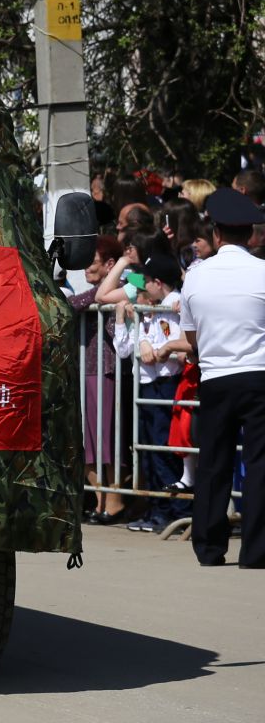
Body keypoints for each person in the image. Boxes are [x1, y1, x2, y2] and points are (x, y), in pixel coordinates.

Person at [179, 187, 265, 567]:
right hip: (259, 375)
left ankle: (210, 548)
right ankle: (257, 550)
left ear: (216, 234)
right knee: (260, 465)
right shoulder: (262, 272)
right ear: (251, 235)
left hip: (215, 376)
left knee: (214, 462)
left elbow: (191, 336)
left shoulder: (197, 277)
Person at [113, 254, 189, 530]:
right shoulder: (151, 304)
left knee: (162, 448)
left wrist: (146, 339)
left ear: (158, 282)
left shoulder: (172, 304)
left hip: (165, 384)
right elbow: (128, 348)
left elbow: (167, 349)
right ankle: (158, 508)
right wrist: (129, 319)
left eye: (145, 283)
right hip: (147, 385)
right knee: (146, 448)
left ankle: (174, 510)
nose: (140, 289)